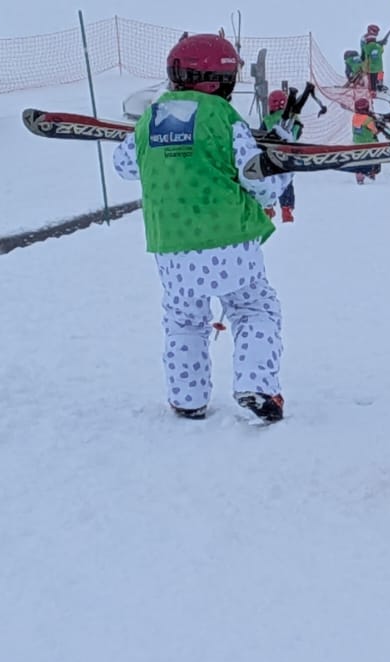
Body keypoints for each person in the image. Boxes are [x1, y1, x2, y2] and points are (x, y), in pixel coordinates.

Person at [112, 31, 290, 423]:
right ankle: (256, 385)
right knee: (253, 309)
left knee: (183, 321)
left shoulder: (151, 118)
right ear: (223, 81)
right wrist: (275, 187)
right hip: (230, 239)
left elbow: (124, 167)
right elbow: (255, 177)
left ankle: (187, 398)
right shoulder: (225, 120)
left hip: (171, 243)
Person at [262, 87, 299, 223]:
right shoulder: (293, 120)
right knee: (287, 182)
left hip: (271, 156)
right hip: (288, 155)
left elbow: (262, 136)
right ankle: (286, 208)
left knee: (269, 181)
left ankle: (268, 207)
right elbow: (298, 132)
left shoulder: (267, 120)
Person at [351, 95, 382, 185]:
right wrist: (377, 126)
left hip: (357, 143)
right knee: (371, 160)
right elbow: (375, 131)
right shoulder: (368, 119)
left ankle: (359, 177)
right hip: (369, 143)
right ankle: (371, 175)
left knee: (360, 161)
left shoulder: (354, 117)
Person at [360, 25, 387, 95]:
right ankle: (371, 85)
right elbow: (364, 51)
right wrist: (380, 45)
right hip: (368, 60)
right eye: (376, 32)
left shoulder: (373, 38)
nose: (377, 34)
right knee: (372, 73)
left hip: (373, 60)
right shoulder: (364, 38)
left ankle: (379, 84)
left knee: (378, 72)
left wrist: (382, 43)